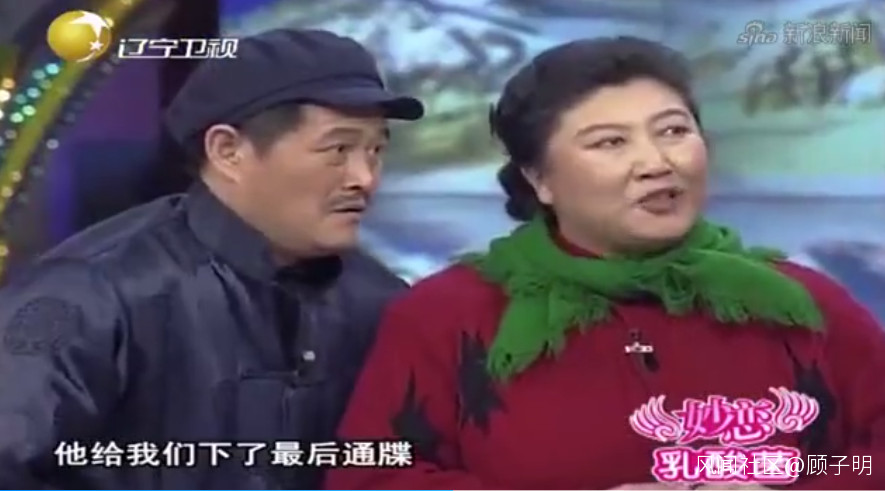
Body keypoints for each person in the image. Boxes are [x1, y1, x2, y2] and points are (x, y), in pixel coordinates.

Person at [326, 37, 885, 490]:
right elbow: (369, 475)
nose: (656, 162)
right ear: (539, 179)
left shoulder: (799, 302)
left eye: (674, 131)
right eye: (610, 143)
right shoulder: (448, 315)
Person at [0, 28, 423, 489]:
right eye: (338, 149)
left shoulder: (381, 301)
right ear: (227, 151)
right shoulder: (94, 293)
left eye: (376, 151)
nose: (364, 178)